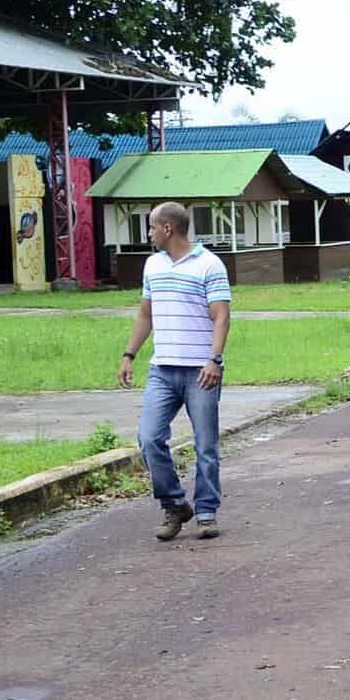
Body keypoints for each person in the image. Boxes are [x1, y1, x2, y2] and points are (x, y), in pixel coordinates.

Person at [117, 201, 231, 542]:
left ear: (167, 228)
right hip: (162, 370)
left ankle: (206, 512)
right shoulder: (152, 264)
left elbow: (221, 316)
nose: (149, 233)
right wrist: (129, 355)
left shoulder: (209, 264)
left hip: (201, 371)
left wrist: (214, 359)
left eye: (152, 226)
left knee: (205, 445)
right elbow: (145, 315)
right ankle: (175, 504)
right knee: (149, 438)